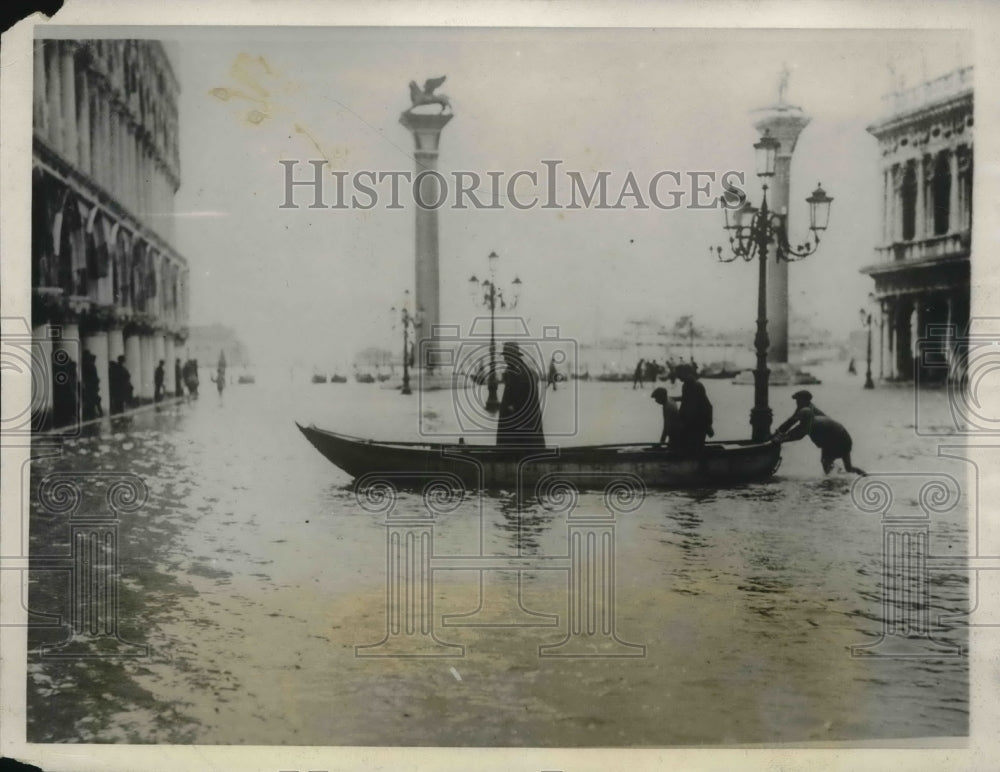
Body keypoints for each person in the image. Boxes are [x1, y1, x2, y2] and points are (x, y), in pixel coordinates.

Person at [773, 390, 866, 476]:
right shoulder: (806, 410)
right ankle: (862, 476)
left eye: (798, 400)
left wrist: (779, 439)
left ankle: (836, 480)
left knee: (827, 465)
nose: (796, 403)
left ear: (805, 400)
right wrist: (779, 433)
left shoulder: (807, 412)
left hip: (836, 439)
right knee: (848, 468)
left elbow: (798, 433)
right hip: (843, 436)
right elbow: (793, 423)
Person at [496, 341, 545, 447]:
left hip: (520, 437)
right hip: (531, 434)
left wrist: (506, 408)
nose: (504, 359)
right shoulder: (525, 371)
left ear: (513, 357)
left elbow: (514, 408)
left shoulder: (517, 375)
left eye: (506, 356)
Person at [674, 363, 714, 453]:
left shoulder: (690, 386)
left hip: (696, 423)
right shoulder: (694, 384)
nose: (678, 377)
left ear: (684, 373)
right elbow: (688, 400)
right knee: (697, 448)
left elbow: (689, 406)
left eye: (679, 374)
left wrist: (680, 421)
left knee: (694, 449)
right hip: (699, 421)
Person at [81, 350, 103, 420]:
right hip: (92, 386)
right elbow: (94, 377)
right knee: (94, 399)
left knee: (92, 399)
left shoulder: (85, 365)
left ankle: (94, 413)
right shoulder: (91, 366)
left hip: (90, 386)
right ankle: (97, 412)